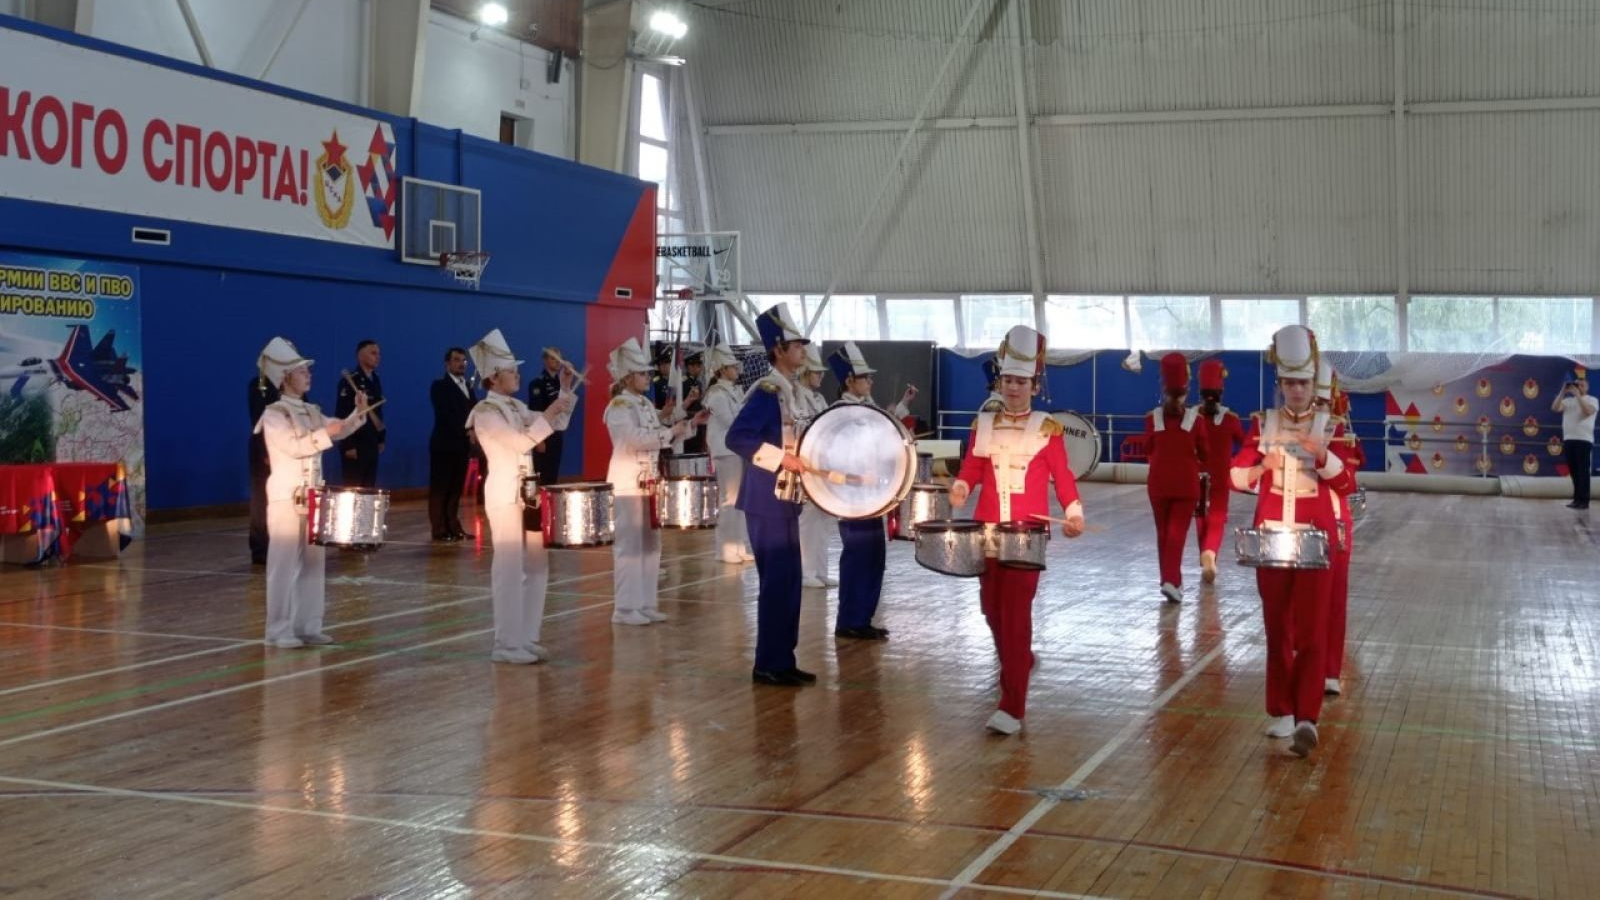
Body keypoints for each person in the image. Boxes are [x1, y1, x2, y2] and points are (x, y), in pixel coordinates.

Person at [949, 324, 1086, 735]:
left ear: (1034, 385)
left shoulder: (1047, 429)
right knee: (990, 608)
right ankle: (1018, 659)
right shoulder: (983, 424)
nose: (1013, 388)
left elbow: (1062, 476)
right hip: (988, 530)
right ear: (1000, 381)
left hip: (1027, 534)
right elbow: (973, 466)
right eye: (1008, 380)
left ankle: (1013, 705)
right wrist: (961, 486)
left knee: (1016, 614)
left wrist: (1074, 511)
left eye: (1021, 382)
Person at [1229, 325, 1356, 758]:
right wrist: (1259, 467)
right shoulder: (1262, 424)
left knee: (1312, 633)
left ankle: (1306, 717)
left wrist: (1321, 456)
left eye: (1303, 382)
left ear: (1311, 383)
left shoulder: (1330, 425)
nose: (1297, 390)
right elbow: (1235, 475)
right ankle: (1280, 709)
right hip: (1271, 541)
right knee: (1276, 629)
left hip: (1315, 542)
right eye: (1290, 383)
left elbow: (1348, 480)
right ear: (1280, 384)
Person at [465, 329, 578, 664]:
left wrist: (565, 391)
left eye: (516, 369)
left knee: (536, 564)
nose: (517, 374)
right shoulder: (486, 412)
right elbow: (520, 442)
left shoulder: (514, 406)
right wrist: (549, 412)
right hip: (504, 494)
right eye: (511, 370)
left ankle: (527, 636)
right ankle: (505, 642)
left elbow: (556, 425)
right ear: (493, 377)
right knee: (509, 568)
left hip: (527, 495)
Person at [253, 337, 366, 648]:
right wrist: (323, 434)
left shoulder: (312, 410)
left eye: (307, 371)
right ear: (286, 377)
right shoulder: (275, 414)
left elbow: (338, 429)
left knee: (315, 563)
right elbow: (293, 447)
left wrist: (358, 414)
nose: (308, 375)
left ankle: (308, 625)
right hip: (286, 497)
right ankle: (277, 629)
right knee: (284, 564)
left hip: (314, 495)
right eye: (302, 371)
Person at [726, 303, 815, 686]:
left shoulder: (788, 391)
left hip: (786, 500)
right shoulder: (766, 392)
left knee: (790, 582)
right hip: (766, 499)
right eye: (796, 344)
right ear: (778, 349)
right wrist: (782, 460)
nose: (803, 350)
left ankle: (783, 658)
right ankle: (768, 662)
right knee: (777, 582)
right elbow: (738, 438)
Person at [605, 337, 703, 625]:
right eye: (642, 373)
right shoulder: (619, 406)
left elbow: (659, 431)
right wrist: (668, 434)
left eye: (648, 373)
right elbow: (633, 440)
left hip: (649, 480)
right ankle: (624, 608)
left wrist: (687, 427)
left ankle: (646, 603)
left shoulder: (645, 403)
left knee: (651, 545)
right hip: (627, 482)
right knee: (629, 547)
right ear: (627, 376)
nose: (647, 377)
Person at [827, 341, 915, 639]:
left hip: (872, 492)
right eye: (864, 377)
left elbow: (884, 429)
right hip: (852, 494)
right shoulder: (841, 412)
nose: (870, 381)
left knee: (874, 556)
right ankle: (849, 619)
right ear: (849, 381)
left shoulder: (865, 407)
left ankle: (862, 616)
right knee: (857, 555)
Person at [1143, 353, 1208, 603]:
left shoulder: (1152, 418)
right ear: (1187, 390)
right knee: (1176, 534)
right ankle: (1171, 580)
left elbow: (1148, 447)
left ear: (1163, 388)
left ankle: (1170, 580)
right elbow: (1205, 453)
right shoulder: (1196, 420)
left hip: (1158, 484)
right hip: (1186, 485)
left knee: (1163, 533)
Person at [1321, 363, 1363, 697]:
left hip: (1334, 524)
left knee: (1334, 600)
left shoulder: (1339, 433)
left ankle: (1330, 668)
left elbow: (1347, 482)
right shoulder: (1278, 427)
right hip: (1292, 525)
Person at [702, 343, 753, 565]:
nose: (736, 370)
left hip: (737, 449)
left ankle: (739, 546)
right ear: (722, 369)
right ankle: (725, 548)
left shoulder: (733, 391)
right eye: (732, 366)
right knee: (728, 500)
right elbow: (730, 422)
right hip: (725, 449)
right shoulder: (716, 394)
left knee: (739, 500)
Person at [1195, 359, 1244, 583]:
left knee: (1200, 516)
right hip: (1220, 476)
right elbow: (1244, 442)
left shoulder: (1191, 417)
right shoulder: (1230, 419)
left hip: (1195, 474)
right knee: (1217, 516)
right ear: (1221, 391)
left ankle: (1204, 554)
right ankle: (1210, 553)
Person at [794, 345, 836, 587]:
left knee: (823, 518)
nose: (821, 376)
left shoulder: (819, 398)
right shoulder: (797, 395)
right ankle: (805, 571)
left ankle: (820, 569)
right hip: (805, 461)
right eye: (816, 372)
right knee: (808, 520)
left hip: (822, 460)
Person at [429, 347, 476, 542]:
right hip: (444, 445)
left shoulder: (468, 386)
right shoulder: (439, 386)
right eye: (456, 360)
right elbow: (446, 414)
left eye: (464, 361)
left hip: (462, 446)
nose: (461, 364)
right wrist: (466, 430)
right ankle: (439, 528)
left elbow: (475, 411)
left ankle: (454, 526)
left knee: (456, 488)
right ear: (447, 363)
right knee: (441, 488)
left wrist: (475, 429)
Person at [335, 339, 385, 487]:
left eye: (379, 353)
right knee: (354, 488)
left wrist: (381, 438)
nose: (378, 356)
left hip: (371, 442)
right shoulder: (350, 380)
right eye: (373, 353)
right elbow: (342, 413)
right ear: (361, 356)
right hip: (356, 442)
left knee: (368, 489)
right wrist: (348, 445)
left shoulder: (375, 380)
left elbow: (377, 411)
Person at [247, 370, 280, 565]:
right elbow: (259, 418)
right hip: (265, 451)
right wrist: (266, 451)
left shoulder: (291, 385)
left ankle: (280, 545)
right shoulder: (260, 384)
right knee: (261, 500)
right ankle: (260, 549)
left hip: (288, 452)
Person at [1552, 367, 1597, 510]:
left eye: (1582, 385)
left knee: (1583, 471)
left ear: (1587, 387)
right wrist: (1563, 392)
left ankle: (1584, 501)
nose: (1579, 387)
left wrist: (1578, 395)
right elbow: (1554, 408)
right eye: (1577, 385)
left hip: (1584, 440)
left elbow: (1588, 411)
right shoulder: (1568, 401)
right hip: (1569, 439)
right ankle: (1577, 499)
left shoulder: (1592, 400)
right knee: (1573, 471)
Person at [527, 347, 567, 487]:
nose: (557, 361)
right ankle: (539, 508)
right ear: (545, 360)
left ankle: (550, 507)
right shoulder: (537, 384)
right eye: (552, 358)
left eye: (559, 358)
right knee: (542, 477)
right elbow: (535, 413)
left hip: (557, 434)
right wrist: (539, 439)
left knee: (553, 476)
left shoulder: (561, 383)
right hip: (543, 435)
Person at [682, 350, 708, 455]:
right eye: (695, 365)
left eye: (699, 365)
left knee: (699, 448)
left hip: (699, 421)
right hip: (688, 420)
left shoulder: (699, 383)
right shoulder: (683, 383)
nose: (698, 368)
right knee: (690, 450)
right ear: (689, 367)